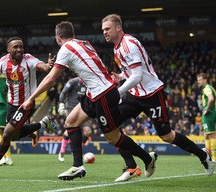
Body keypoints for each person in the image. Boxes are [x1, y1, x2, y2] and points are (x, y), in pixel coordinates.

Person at [20, 21, 157, 181]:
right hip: (95, 93)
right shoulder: (83, 43)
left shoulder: (65, 48)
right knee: (71, 122)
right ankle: (77, 166)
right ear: (73, 35)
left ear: (58, 38)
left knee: (113, 138)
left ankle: (147, 159)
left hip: (104, 93)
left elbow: (50, 78)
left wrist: (31, 98)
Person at [101, 13, 214, 182]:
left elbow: (138, 75)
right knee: (110, 127)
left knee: (166, 136)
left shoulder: (129, 44)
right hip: (135, 95)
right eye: (103, 30)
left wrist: (119, 91)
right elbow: (132, 71)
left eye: (107, 28)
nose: (104, 32)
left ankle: (203, 155)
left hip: (152, 94)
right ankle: (134, 165)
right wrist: (122, 77)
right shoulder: (116, 48)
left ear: (118, 28)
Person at [0, 37, 56, 179]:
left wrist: (48, 66)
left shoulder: (29, 60)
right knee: (13, 135)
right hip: (12, 104)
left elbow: (42, 67)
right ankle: (43, 123)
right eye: (16, 47)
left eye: (21, 46)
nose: (19, 49)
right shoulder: (2, 63)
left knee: (6, 134)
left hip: (27, 104)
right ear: (9, 49)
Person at [57, 77, 93, 162]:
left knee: (88, 131)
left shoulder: (89, 82)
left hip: (84, 109)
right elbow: (63, 93)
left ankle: (77, 151)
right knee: (70, 131)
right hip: (72, 109)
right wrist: (61, 104)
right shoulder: (73, 82)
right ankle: (62, 151)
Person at [197, 73, 216, 161]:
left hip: (209, 113)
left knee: (211, 135)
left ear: (205, 80)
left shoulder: (207, 88)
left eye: (200, 80)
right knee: (206, 136)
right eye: (198, 80)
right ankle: (209, 156)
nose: (198, 82)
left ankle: (214, 158)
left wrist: (207, 109)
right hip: (211, 112)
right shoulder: (209, 88)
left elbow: (211, 98)